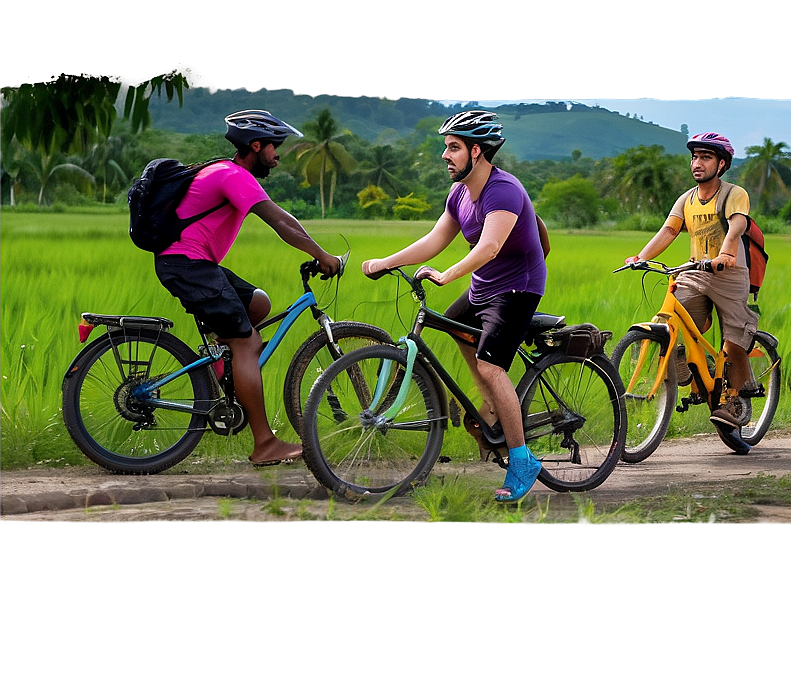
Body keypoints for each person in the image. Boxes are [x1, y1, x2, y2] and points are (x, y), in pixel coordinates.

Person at [362, 110, 548, 501]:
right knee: (454, 326)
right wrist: (386, 262)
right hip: (485, 286)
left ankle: (522, 459)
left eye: (453, 148)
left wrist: (448, 275)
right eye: (446, 147)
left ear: (476, 151)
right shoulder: (459, 194)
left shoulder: (504, 190)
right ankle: (490, 407)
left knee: (491, 365)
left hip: (518, 288)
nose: (445, 155)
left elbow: (490, 246)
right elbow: (434, 240)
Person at [154, 110, 341, 466]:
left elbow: (283, 218)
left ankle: (221, 362)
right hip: (187, 265)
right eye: (274, 148)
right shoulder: (232, 175)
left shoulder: (227, 172)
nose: (278, 155)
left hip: (196, 265)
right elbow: (280, 220)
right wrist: (321, 254)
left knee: (258, 304)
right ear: (256, 145)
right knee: (248, 342)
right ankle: (264, 444)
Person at [624, 131, 759, 454]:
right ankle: (681, 357)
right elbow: (670, 229)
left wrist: (726, 253)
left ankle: (735, 397)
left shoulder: (733, 194)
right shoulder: (686, 199)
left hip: (729, 273)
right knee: (670, 322)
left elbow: (737, 224)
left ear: (721, 164)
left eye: (705, 158)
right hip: (695, 272)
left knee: (734, 339)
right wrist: (642, 257)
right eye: (694, 157)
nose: (697, 164)